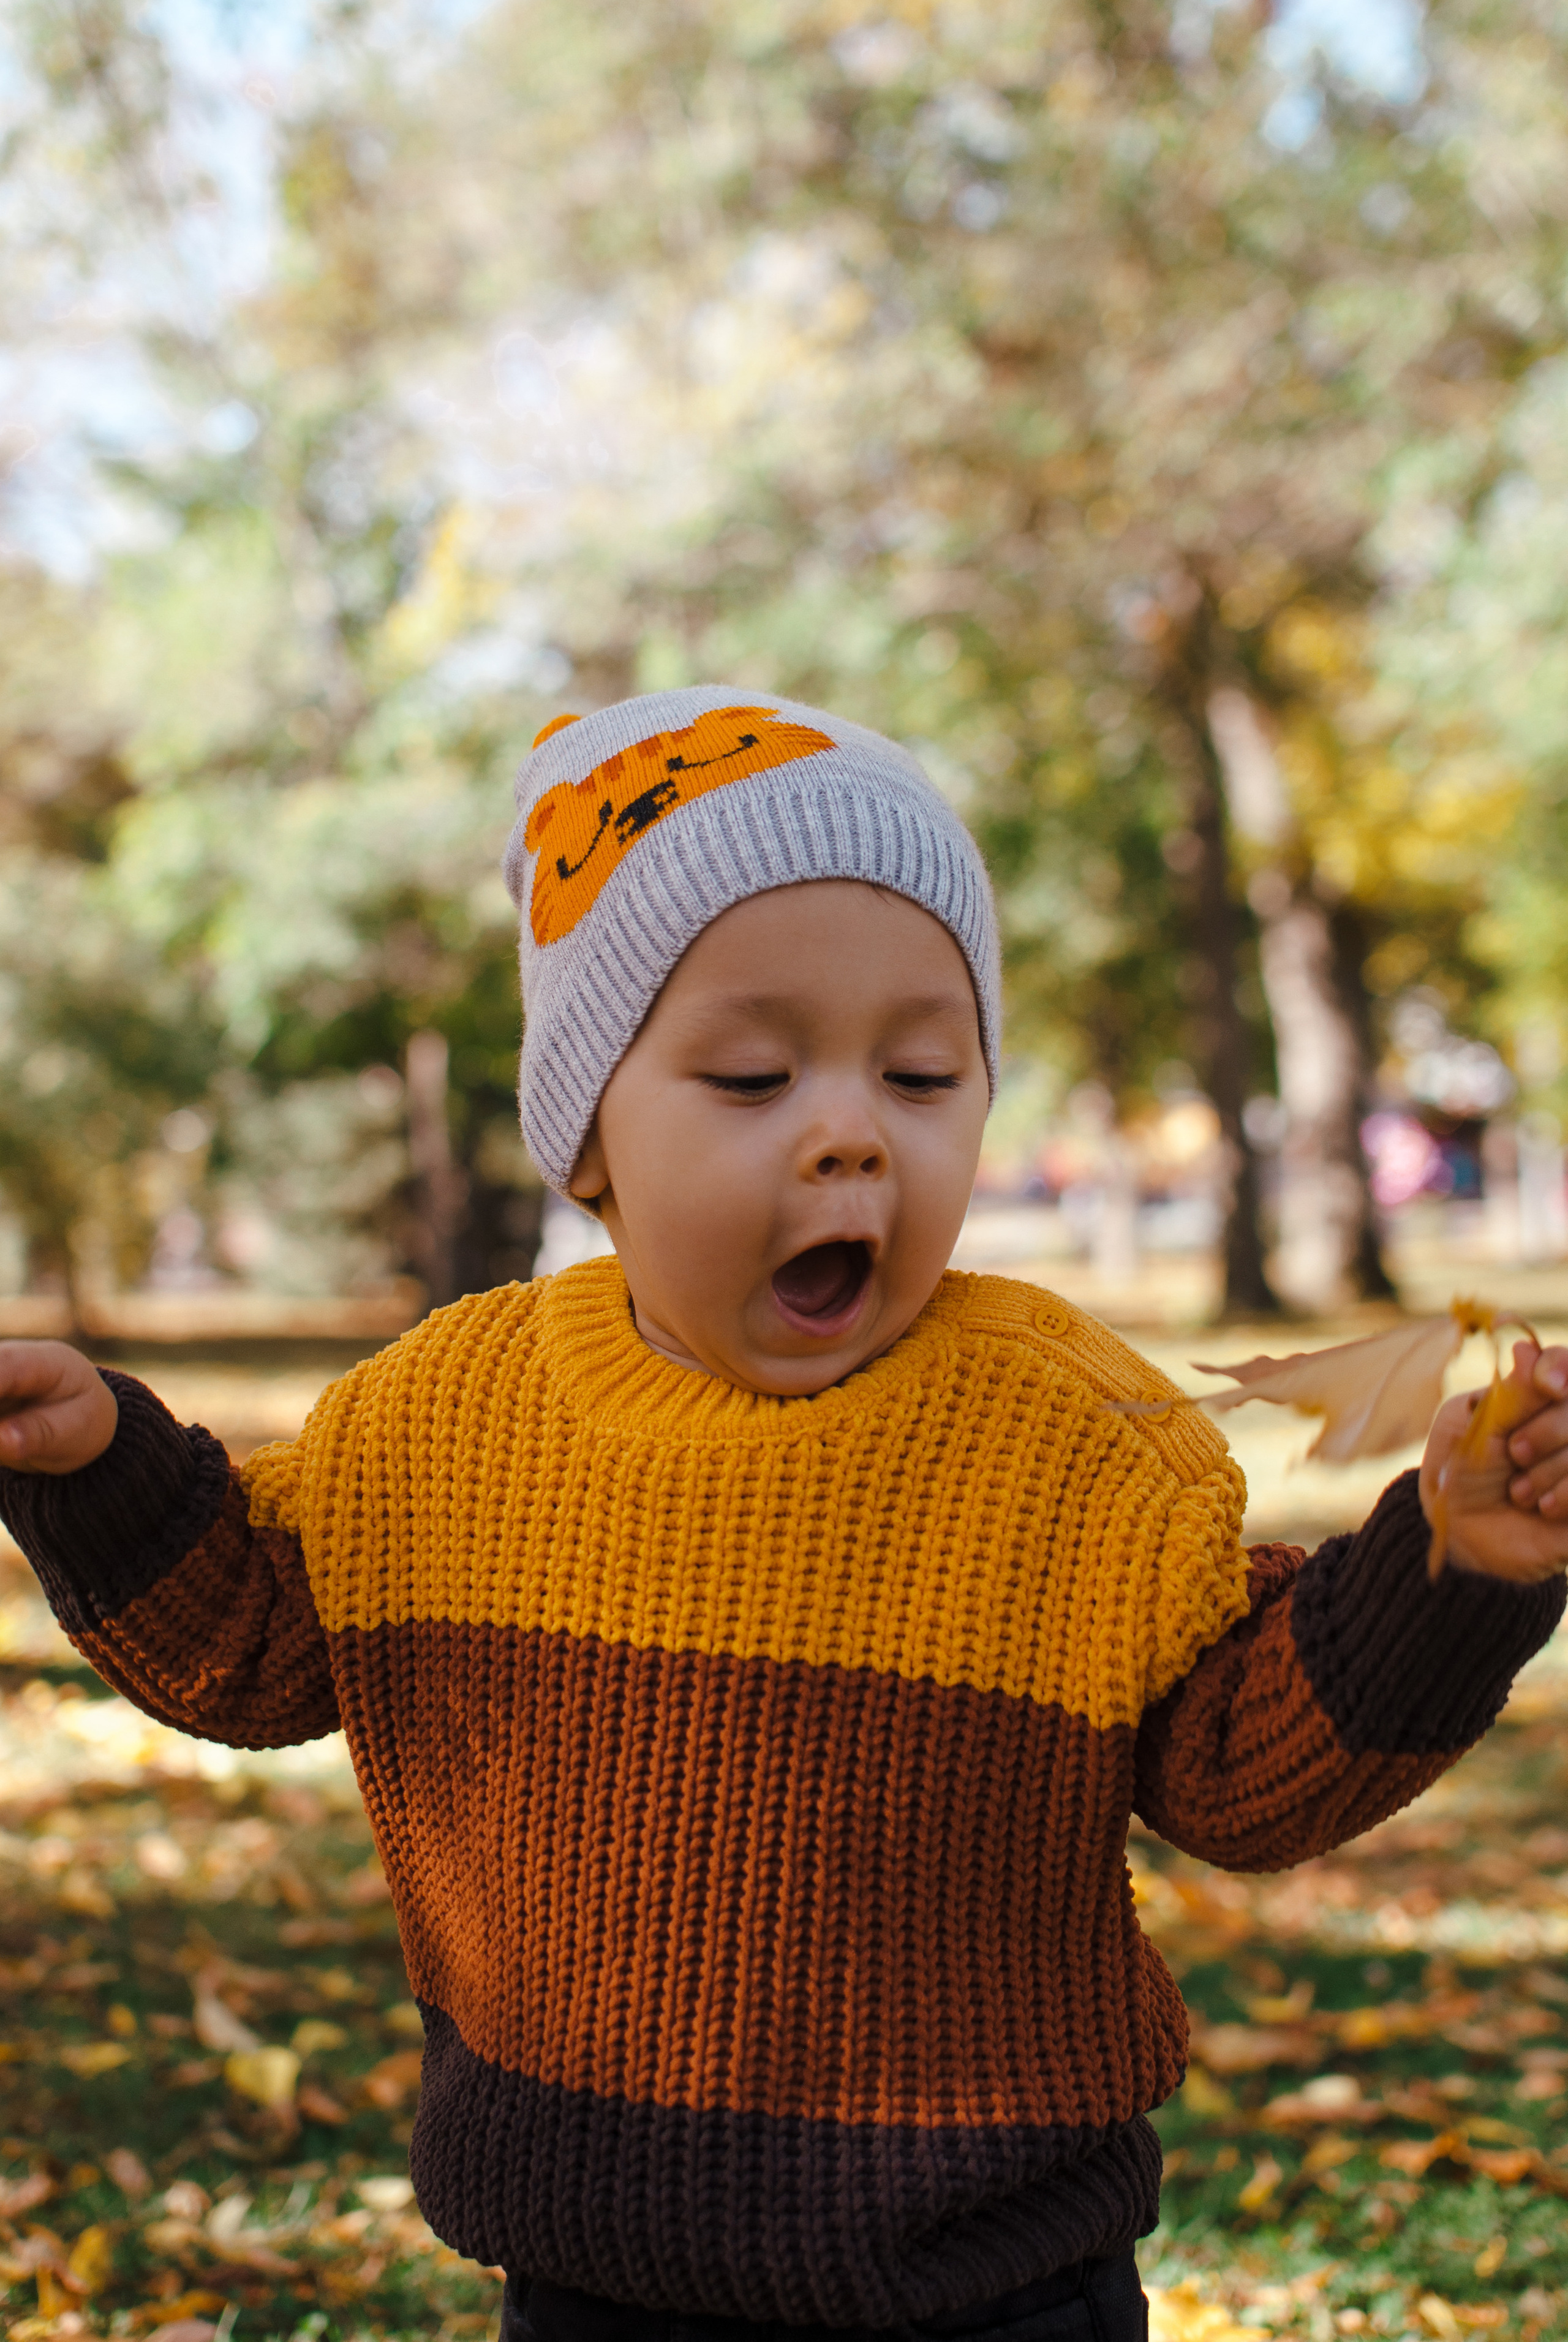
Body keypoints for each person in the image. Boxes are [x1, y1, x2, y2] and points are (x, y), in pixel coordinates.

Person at [3, 686, 1568, 2342]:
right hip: (587, 2270)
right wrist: (97, 1468)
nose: (849, 1136)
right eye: (752, 1077)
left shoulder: (1069, 1437)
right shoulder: (444, 1418)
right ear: (589, 1139)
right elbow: (251, 1639)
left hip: (991, 2284)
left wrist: (1448, 1574)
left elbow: (1240, 1765)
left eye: (919, 1072)